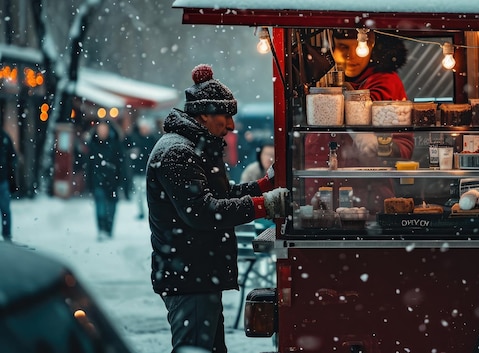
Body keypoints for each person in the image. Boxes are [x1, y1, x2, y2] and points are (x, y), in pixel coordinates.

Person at [146, 64, 287, 353]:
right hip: (189, 277)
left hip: (198, 273)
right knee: (196, 348)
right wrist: (263, 206)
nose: (232, 126)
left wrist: (262, 185)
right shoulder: (178, 152)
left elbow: (220, 194)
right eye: (226, 116)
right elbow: (203, 211)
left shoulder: (195, 147)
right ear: (204, 115)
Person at [304, 29, 414, 212]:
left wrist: (379, 146)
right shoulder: (321, 83)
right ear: (331, 47)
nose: (351, 56)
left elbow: (404, 147)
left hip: (370, 200)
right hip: (321, 199)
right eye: (342, 47)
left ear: (370, 44)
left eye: (358, 48)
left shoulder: (386, 82)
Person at [85, 120, 125, 241]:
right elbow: (89, 164)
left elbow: (121, 164)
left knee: (111, 207)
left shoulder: (116, 144)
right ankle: (102, 229)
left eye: (104, 129)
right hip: (98, 180)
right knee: (100, 206)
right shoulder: (93, 144)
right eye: (100, 129)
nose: (102, 132)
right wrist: (89, 181)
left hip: (113, 181)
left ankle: (108, 228)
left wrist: (121, 181)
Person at [125, 118, 160, 219]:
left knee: (148, 192)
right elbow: (126, 147)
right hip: (138, 169)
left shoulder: (153, 139)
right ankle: (141, 211)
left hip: (149, 170)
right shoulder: (134, 137)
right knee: (139, 193)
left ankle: (149, 211)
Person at [0, 129, 17, 242]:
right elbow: (12, 158)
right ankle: (7, 236)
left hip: (2, 179)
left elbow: (12, 158)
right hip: (3, 178)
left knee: (5, 209)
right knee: (5, 209)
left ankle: (7, 235)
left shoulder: (4, 137)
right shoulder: (4, 137)